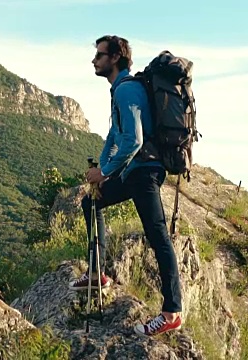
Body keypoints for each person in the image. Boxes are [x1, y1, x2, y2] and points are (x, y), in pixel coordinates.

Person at [67, 35, 183, 337]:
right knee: (91, 202)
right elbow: (114, 135)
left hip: (144, 172)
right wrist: (100, 170)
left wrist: (105, 171)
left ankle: (172, 312)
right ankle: (97, 274)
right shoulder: (122, 90)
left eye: (100, 55)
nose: (94, 60)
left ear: (115, 58)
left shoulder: (127, 91)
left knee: (158, 237)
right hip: (134, 171)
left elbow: (134, 140)